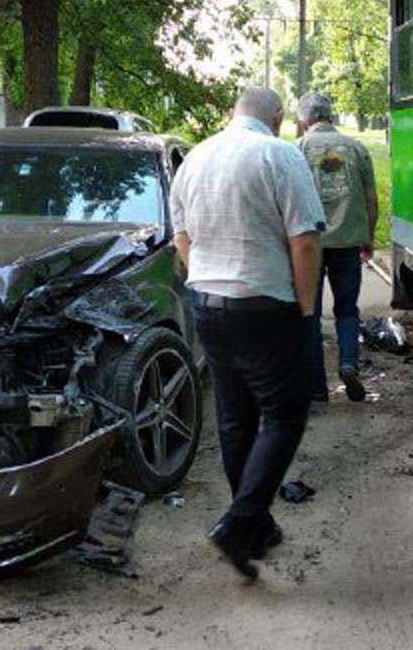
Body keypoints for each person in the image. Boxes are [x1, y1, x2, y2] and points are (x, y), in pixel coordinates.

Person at [169, 86, 326, 580]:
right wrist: (305, 311)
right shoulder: (279, 155)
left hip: (208, 305)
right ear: (277, 118)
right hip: (266, 305)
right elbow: (304, 240)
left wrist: (211, 280)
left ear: (232, 113)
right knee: (284, 416)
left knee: (236, 420)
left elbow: (181, 237)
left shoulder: (194, 158)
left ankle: (255, 525)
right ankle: (238, 524)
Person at [295, 92, 377, 403]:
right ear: (330, 116)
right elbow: (371, 198)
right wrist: (367, 236)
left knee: (310, 312)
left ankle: (316, 386)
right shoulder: (356, 147)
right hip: (347, 241)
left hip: (310, 244)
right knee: (347, 309)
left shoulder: (298, 149)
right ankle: (347, 364)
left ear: (304, 120)